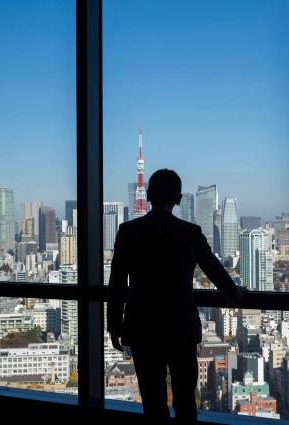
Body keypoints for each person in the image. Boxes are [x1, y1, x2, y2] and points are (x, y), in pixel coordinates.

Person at [107, 169, 247, 424]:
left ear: (148, 195)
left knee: (153, 401)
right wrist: (237, 294)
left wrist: (114, 326)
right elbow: (216, 272)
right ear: (179, 199)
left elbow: (116, 283)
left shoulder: (128, 231)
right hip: (180, 327)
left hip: (143, 327)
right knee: (184, 399)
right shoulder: (190, 233)